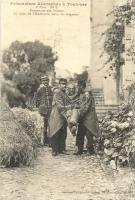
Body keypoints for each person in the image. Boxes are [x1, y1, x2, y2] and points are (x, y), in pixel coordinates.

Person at [74, 80, 100, 155]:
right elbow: (79, 104)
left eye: (78, 86)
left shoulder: (87, 94)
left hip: (89, 117)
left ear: (82, 86)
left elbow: (86, 107)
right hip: (83, 117)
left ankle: (90, 149)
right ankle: (79, 149)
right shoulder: (81, 94)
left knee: (89, 133)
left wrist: (79, 115)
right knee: (80, 133)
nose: (77, 87)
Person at [48, 78, 71, 156]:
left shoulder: (65, 94)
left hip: (63, 115)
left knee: (63, 133)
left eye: (65, 84)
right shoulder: (57, 93)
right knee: (55, 132)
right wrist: (69, 108)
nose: (64, 85)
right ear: (59, 85)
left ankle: (61, 149)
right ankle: (54, 150)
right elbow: (60, 106)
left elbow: (69, 102)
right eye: (62, 84)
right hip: (56, 115)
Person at [35, 75, 53, 145]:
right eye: (43, 81)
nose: (45, 82)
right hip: (42, 110)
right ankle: (43, 141)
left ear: (48, 81)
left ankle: (50, 141)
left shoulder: (51, 89)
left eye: (46, 80)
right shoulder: (39, 89)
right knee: (43, 126)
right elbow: (37, 99)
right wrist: (39, 106)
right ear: (42, 82)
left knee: (50, 125)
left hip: (50, 109)